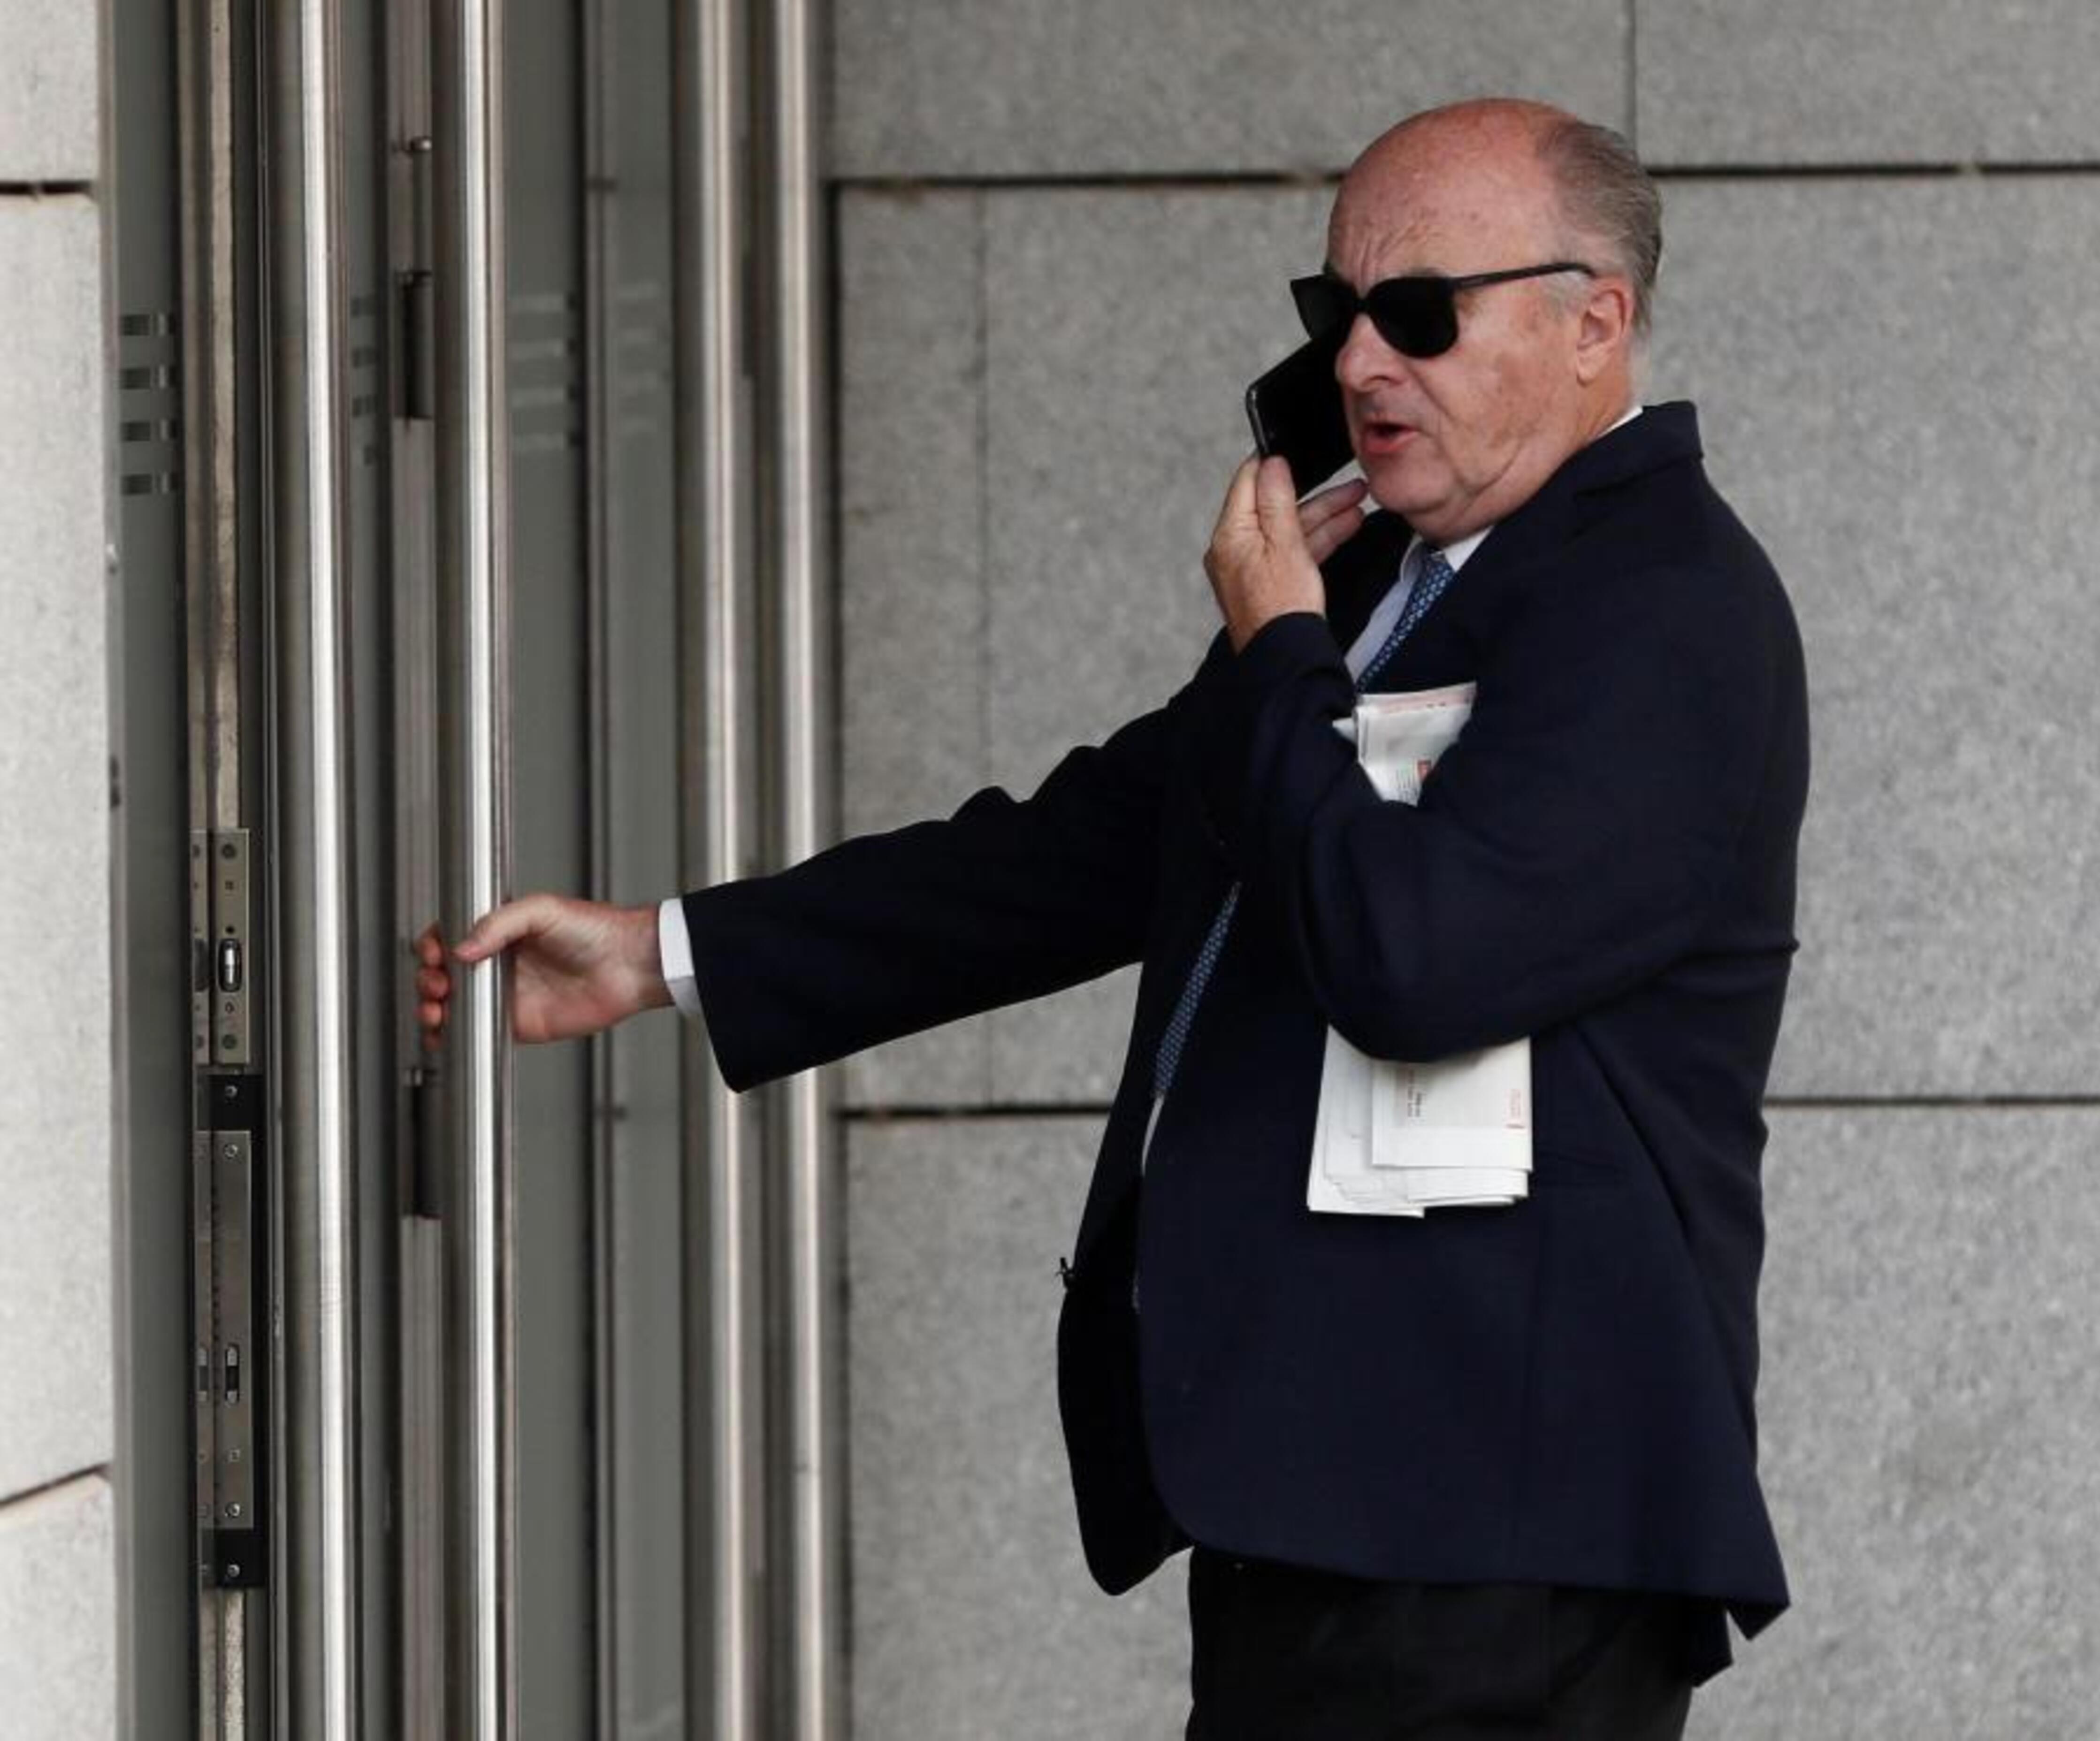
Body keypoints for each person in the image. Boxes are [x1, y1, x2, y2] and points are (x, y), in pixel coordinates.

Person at [418, 97, 1809, 1740]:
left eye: (1421, 313)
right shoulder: (1385, 585)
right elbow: (1087, 851)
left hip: (1503, 1517)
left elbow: (1420, 963)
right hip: (1335, 1491)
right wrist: (665, 953)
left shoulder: (1663, 607)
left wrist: (1281, 655)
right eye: (1337, 312)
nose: (1361, 362)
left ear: (1595, 324)